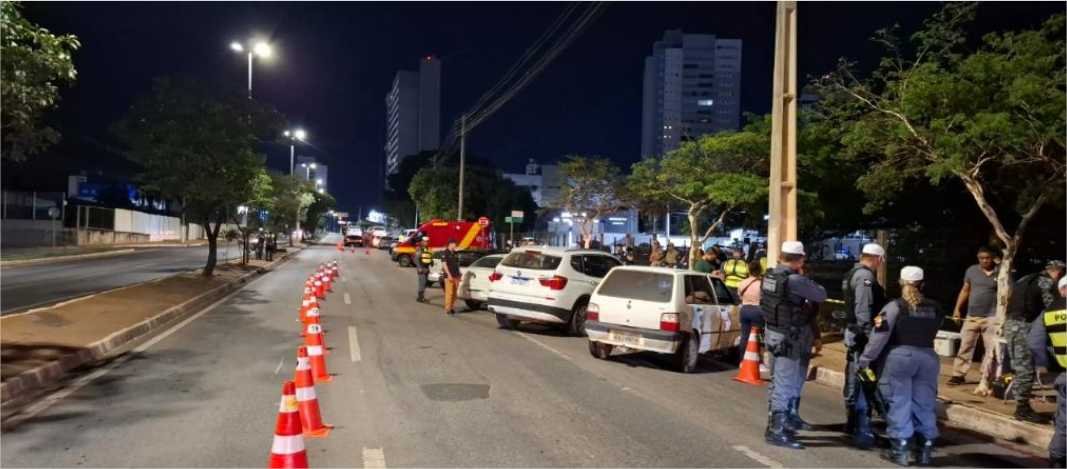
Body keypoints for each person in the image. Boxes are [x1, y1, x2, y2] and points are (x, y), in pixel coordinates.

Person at [858, 266, 944, 466]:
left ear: (900, 283)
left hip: (899, 358)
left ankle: (901, 450)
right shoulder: (936, 307)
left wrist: (866, 360)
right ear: (922, 284)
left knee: (898, 402)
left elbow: (879, 337)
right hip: (929, 358)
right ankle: (925, 450)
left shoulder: (894, 307)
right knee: (925, 404)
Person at [762, 241, 827, 450]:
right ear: (799, 259)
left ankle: (776, 424)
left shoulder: (771, 275)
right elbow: (821, 294)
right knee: (784, 384)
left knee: (776, 381)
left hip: (773, 333)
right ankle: (776, 431)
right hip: (788, 338)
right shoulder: (795, 280)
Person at [841, 243, 887, 449]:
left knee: (855, 377)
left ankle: (853, 423)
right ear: (878, 259)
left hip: (854, 334)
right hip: (861, 337)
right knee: (862, 381)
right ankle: (860, 426)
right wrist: (870, 337)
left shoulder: (853, 272)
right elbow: (863, 310)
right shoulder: (865, 277)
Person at [1006, 260, 1066, 422]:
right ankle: (1022, 409)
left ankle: (1021, 405)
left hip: (1011, 324)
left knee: (1020, 367)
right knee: (1026, 368)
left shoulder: (1025, 278)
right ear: (1058, 272)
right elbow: (1052, 308)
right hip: (1024, 326)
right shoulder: (1045, 282)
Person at [947, 246, 1000, 387]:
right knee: (965, 345)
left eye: (987, 258)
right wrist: (957, 309)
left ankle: (987, 376)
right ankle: (958, 375)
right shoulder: (972, 270)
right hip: (972, 315)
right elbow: (965, 289)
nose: (984, 261)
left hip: (992, 315)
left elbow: (1008, 292)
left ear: (993, 258)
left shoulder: (1001, 272)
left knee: (991, 348)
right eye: (981, 258)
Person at [1028, 276, 1066, 469]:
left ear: (1061, 290)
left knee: (1064, 422)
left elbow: (1034, 343)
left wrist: (1042, 365)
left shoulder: (1049, 313)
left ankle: (1058, 458)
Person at [736, 260, 765, 359]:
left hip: (744, 309)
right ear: (760, 270)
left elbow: (739, 296)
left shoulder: (743, 282)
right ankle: (755, 358)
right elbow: (763, 297)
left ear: (749, 270)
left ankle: (742, 358)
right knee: (756, 336)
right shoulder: (761, 284)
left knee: (744, 336)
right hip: (757, 310)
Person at [441, 239, 461, 315]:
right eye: (455, 244)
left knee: (455, 294)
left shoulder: (455, 253)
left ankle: (452, 307)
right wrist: (449, 274)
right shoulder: (445, 253)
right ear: (450, 244)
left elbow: (457, 264)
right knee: (449, 293)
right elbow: (444, 265)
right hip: (449, 276)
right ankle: (448, 308)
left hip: (456, 275)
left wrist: (459, 273)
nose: (456, 245)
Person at [414, 238, 433, 303]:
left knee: (424, 283)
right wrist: (419, 268)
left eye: (427, 241)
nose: (426, 242)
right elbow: (416, 259)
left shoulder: (427, 249)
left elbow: (428, 258)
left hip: (426, 269)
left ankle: (421, 297)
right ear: (422, 242)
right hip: (421, 269)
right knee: (422, 283)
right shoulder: (419, 249)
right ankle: (420, 298)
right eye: (425, 241)